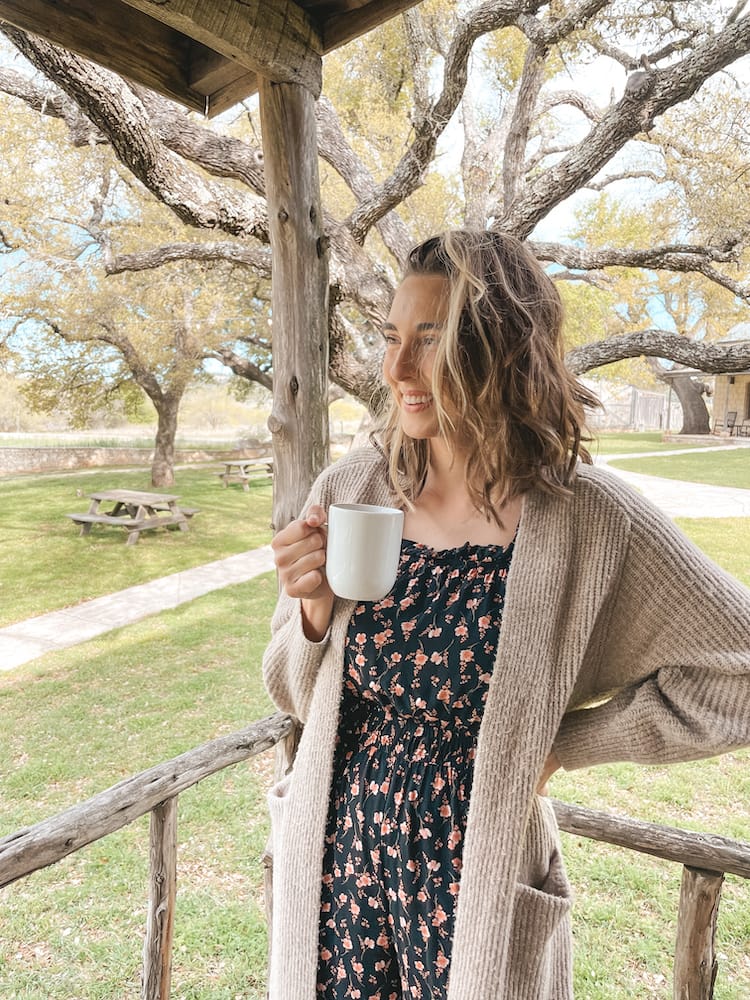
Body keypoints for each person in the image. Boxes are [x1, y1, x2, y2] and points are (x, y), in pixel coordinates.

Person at [262, 230, 750, 1000]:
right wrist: (314, 615)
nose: (397, 369)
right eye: (393, 338)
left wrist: (567, 744)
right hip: (338, 864)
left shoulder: (588, 518)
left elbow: (739, 670)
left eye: (432, 341)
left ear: (502, 350)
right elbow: (293, 693)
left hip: (476, 880)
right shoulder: (352, 489)